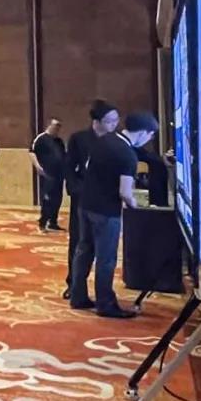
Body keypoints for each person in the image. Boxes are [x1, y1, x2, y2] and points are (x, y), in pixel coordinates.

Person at [68, 112, 159, 318]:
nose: (149, 140)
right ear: (143, 133)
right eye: (150, 135)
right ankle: (105, 304)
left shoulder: (104, 140)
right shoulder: (127, 154)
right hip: (106, 212)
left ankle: (77, 296)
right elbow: (125, 192)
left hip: (85, 204)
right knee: (106, 258)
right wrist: (137, 206)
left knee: (84, 251)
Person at [62, 100, 119, 299]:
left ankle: (102, 291)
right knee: (79, 242)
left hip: (106, 200)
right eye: (110, 121)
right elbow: (69, 167)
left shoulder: (116, 141)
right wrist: (76, 189)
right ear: (97, 121)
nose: (114, 124)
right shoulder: (79, 139)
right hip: (83, 199)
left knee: (104, 249)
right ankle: (74, 285)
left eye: (116, 120)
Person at [30, 118, 66, 232]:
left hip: (59, 174)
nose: (57, 129)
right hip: (47, 174)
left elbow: (63, 155)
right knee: (47, 199)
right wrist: (37, 166)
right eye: (55, 126)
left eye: (59, 127)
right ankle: (43, 222)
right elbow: (32, 152)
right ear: (49, 126)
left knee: (57, 199)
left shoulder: (59, 141)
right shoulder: (41, 138)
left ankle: (53, 222)